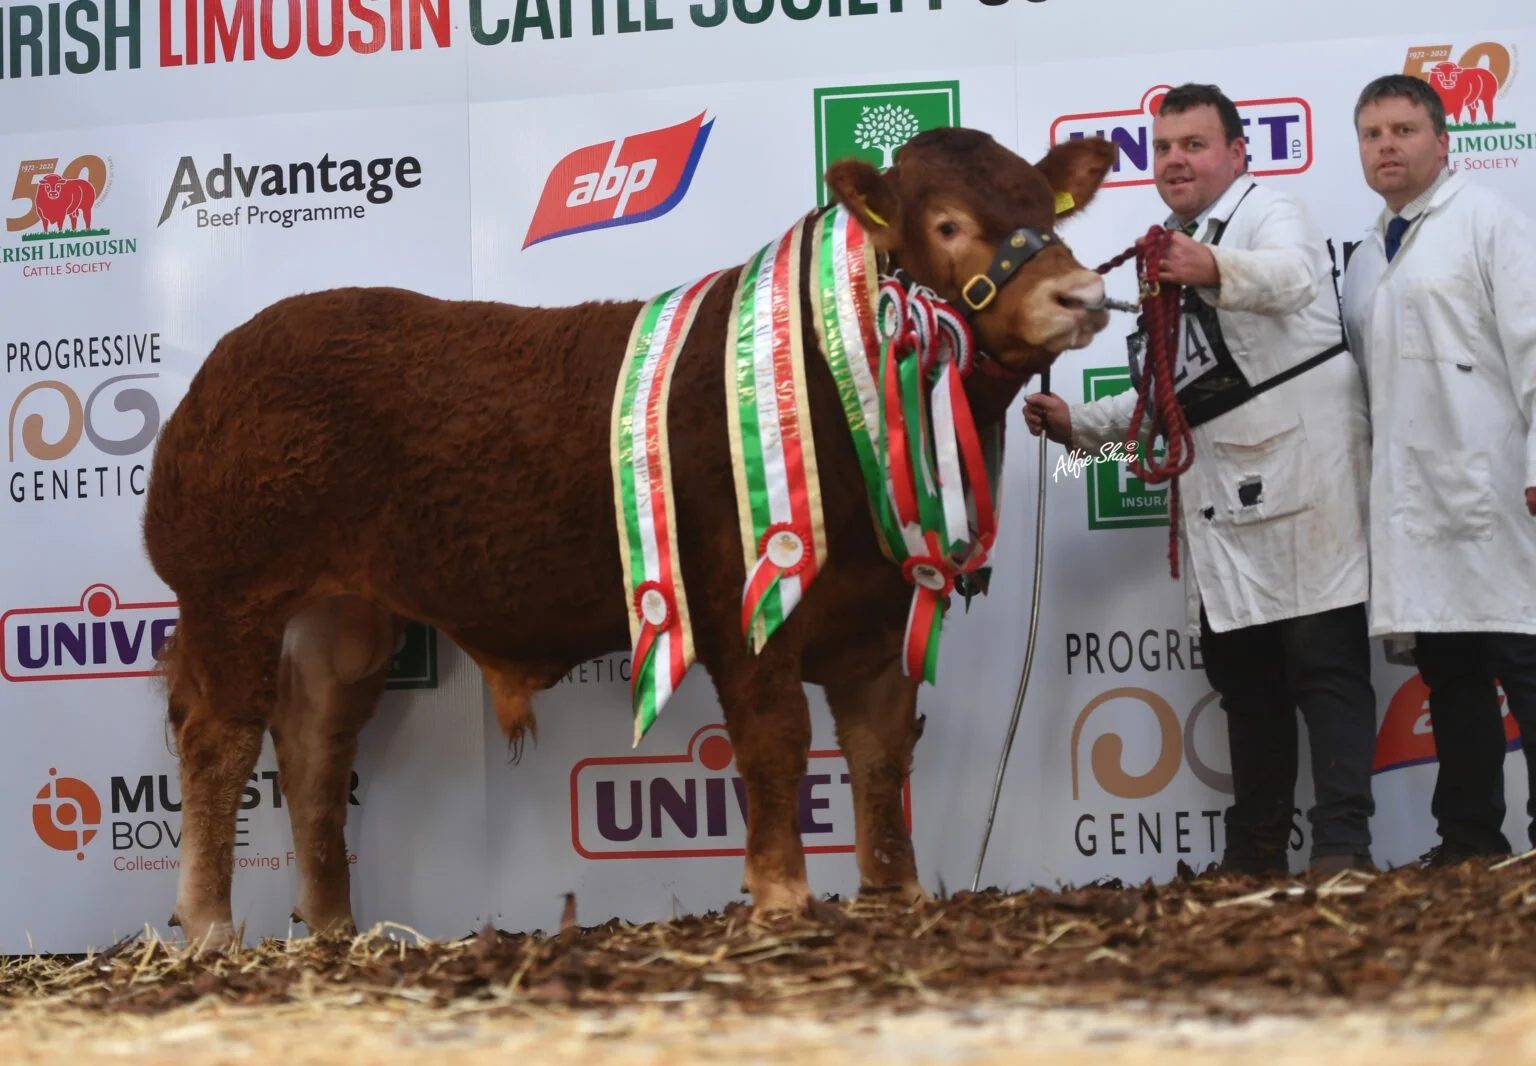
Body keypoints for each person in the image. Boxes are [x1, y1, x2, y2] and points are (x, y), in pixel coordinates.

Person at [1026, 83, 1378, 876]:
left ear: (1236, 154)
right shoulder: (1170, 249)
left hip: (1304, 485)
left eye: (1193, 144)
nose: (1175, 160)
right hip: (1222, 501)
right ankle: (1254, 856)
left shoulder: (1268, 213)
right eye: (1163, 148)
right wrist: (1078, 424)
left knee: (1324, 670)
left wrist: (1211, 263)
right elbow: (1168, 391)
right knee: (1247, 685)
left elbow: (1294, 277)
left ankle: (1343, 849)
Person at [1342, 74, 1536, 868]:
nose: (1386, 146)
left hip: (1501, 491)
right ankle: (1469, 842)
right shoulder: (1364, 257)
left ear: (1443, 140)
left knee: (1525, 665)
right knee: (1451, 679)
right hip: (1414, 511)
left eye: (1403, 129)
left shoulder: (1487, 221)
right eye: (1371, 134)